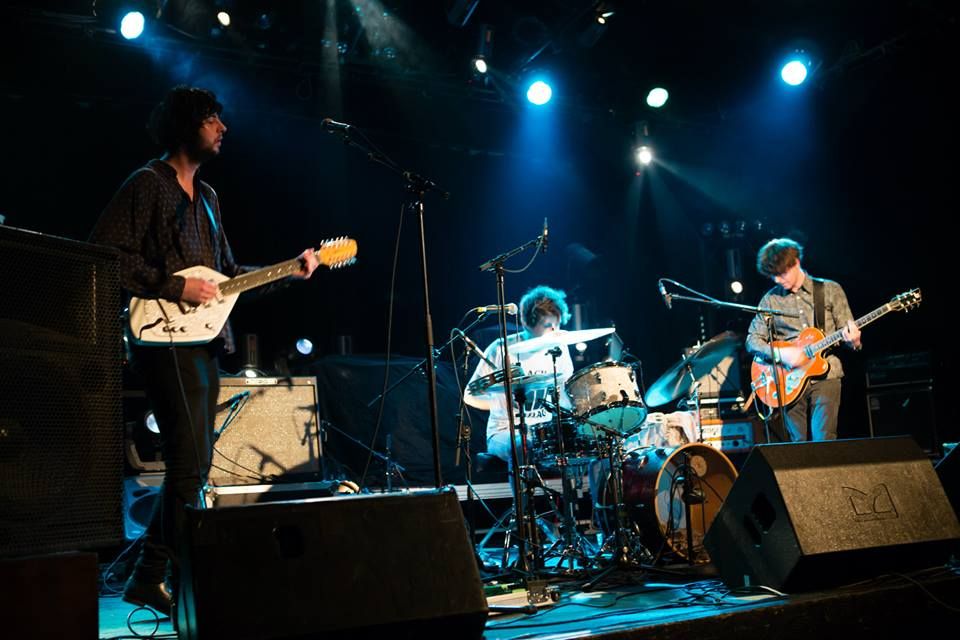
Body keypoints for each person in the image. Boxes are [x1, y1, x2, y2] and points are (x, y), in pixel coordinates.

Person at [90, 86, 319, 616]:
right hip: (163, 338)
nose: (222, 128)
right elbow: (104, 252)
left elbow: (228, 279)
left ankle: (164, 575)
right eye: (212, 119)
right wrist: (175, 286)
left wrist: (290, 271)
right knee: (189, 465)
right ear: (185, 125)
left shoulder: (210, 199)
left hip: (205, 341)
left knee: (194, 466)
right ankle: (151, 574)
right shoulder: (147, 184)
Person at [745, 238, 861, 442]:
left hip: (826, 375)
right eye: (773, 275)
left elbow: (849, 335)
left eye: (782, 273)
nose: (777, 280)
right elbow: (752, 340)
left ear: (796, 262)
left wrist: (854, 341)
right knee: (797, 446)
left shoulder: (830, 289)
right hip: (788, 380)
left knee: (824, 439)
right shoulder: (770, 299)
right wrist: (781, 353)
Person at [464, 285, 575, 467]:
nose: (555, 330)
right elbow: (469, 396)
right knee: (523, 446)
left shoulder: (559, 347)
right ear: (527, 323)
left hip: (543, 432)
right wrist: (499, 401)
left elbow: (562, 394)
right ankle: (523, 488)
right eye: (548, 325)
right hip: (503, 432)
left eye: (557, 324)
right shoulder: (500, 349)